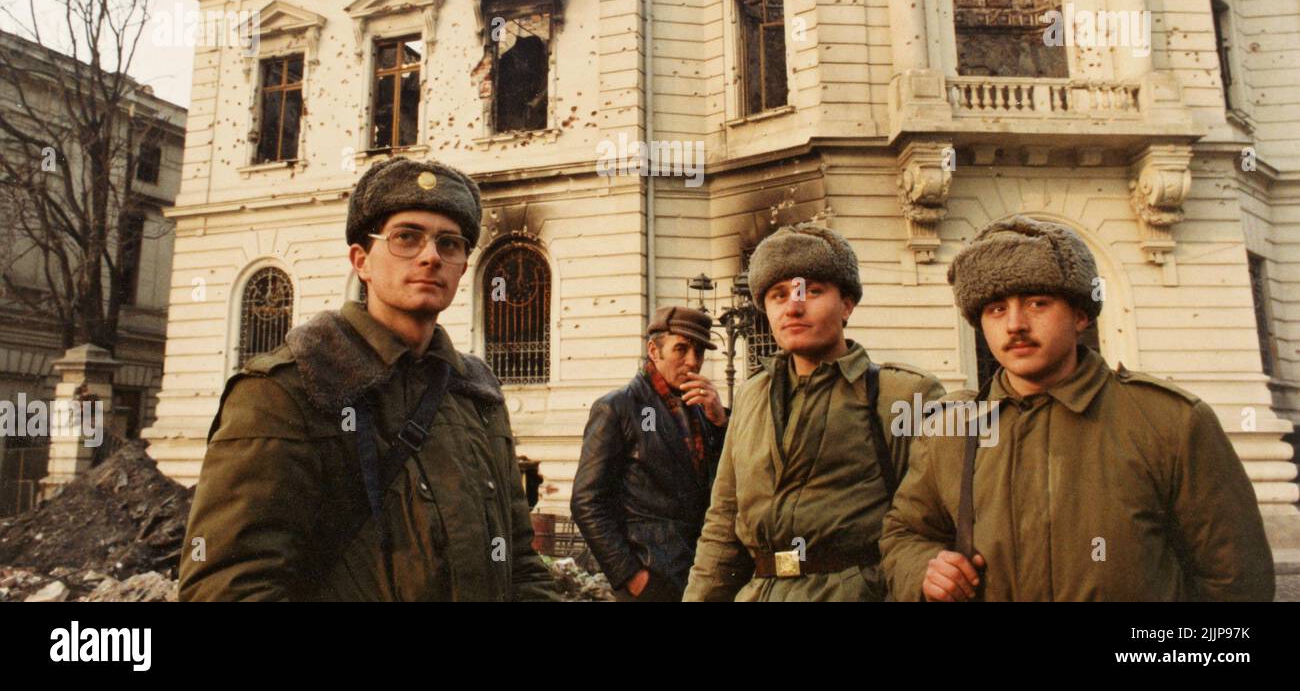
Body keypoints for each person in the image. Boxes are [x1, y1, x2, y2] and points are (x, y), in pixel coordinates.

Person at [179, 157, 558, 601]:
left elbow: (518, 560)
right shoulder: (285, 391)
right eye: (406, 237)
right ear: (361, 260)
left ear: (461, 266)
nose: (431, 255)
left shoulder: (475, 394)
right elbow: (228, 586)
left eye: (450, 244)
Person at [880, 215, 1275, 601]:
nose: (1015, 324)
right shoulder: (952, 428)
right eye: (996, 308)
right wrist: (925, 569)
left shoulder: (1171, 421)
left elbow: (1235, 581)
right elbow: (905, 533)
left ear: (1081, 314)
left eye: (1037, 302)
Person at [684, 222, 945, 601]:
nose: (794, 305)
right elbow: (724, 522)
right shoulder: (752, 396)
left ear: (847, 304)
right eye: (778, 295)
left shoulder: (901, 395)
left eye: (813, 291)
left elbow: (931, 526)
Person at [571, 306, 728, 601]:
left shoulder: (703, 409)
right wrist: (631, 577)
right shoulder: (617, 407)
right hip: (651, 580)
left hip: (701, 576)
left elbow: (722, 487)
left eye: (699, 352)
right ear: (654, 351)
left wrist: (720, 424)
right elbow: (586, 501)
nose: (692, 362)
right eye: (681, 349)